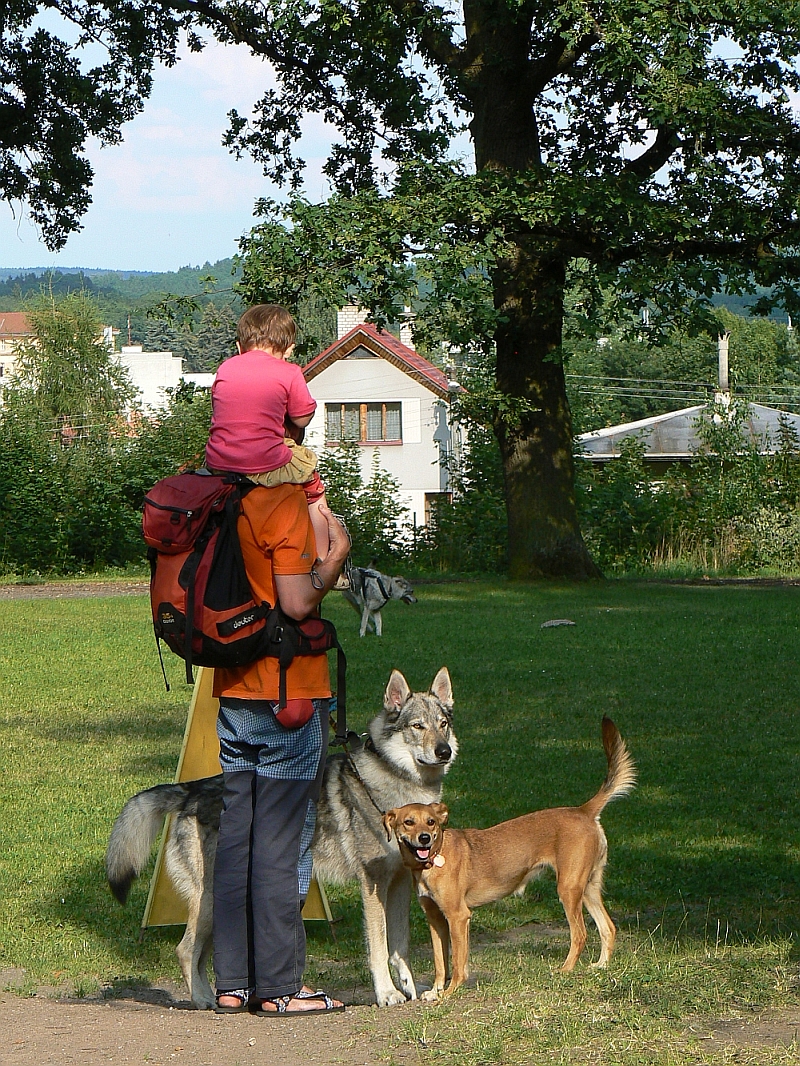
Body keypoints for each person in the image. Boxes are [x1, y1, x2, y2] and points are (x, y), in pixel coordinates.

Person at [211, 481, 350, 1015]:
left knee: (237, 837)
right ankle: (279, 988)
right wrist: (336, 553)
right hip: (288, 690)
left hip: (233, 686)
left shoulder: (224, 495)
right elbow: (298, 598)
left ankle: (234, 982)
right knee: (284, 840)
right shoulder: (285, 502)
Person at [205, 303, 335, 566]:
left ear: (240, 346)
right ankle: (324, 559)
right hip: (264, 463)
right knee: (313, 487)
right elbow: (301, 418)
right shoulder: (289, 371)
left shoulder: (226, 368)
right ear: (288, 349)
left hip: (218, 462)